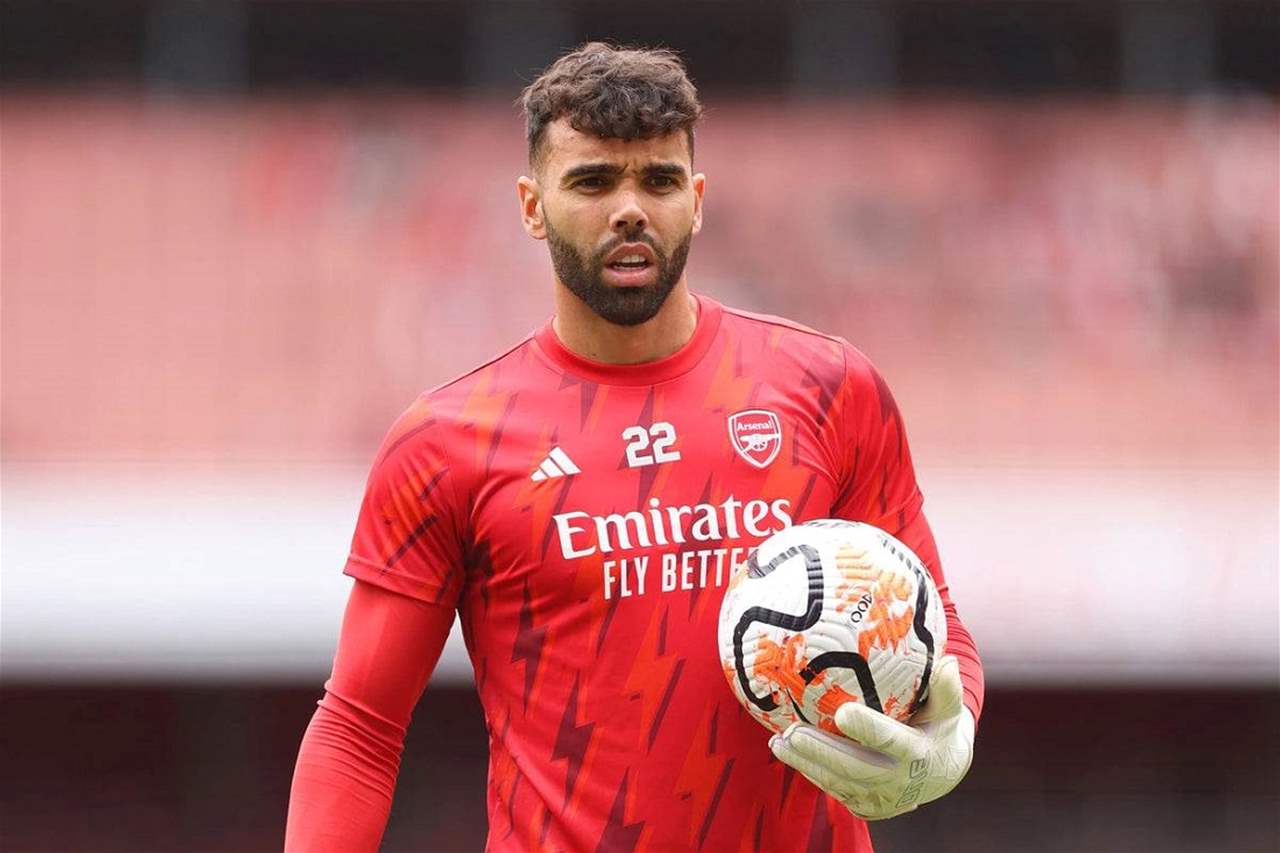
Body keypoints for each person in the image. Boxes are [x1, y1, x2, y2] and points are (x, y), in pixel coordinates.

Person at [285, 42, 984, 852]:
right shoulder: (449, 442)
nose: (629, 209)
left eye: (658, 180)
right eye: (592, 182)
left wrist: (951, 733)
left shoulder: (830, 388)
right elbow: (359, 725)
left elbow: (933, 620)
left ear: (697, 199)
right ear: (531, 206)